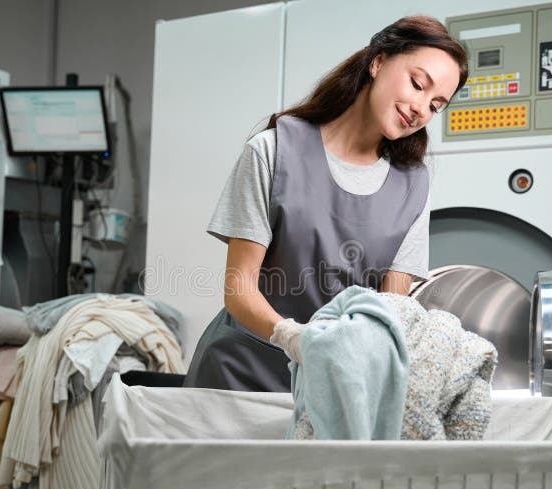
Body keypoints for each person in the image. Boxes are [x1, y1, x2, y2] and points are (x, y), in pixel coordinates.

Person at [183, 15, 468, 392]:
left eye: (436, 105)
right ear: (378, 61)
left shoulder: (412, 185)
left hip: (332, 382)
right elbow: (239, 290)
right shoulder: (273, 151)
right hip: (239, 374)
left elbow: (388, 310)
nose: (420, 109)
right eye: (417, 84)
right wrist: (292, 338)